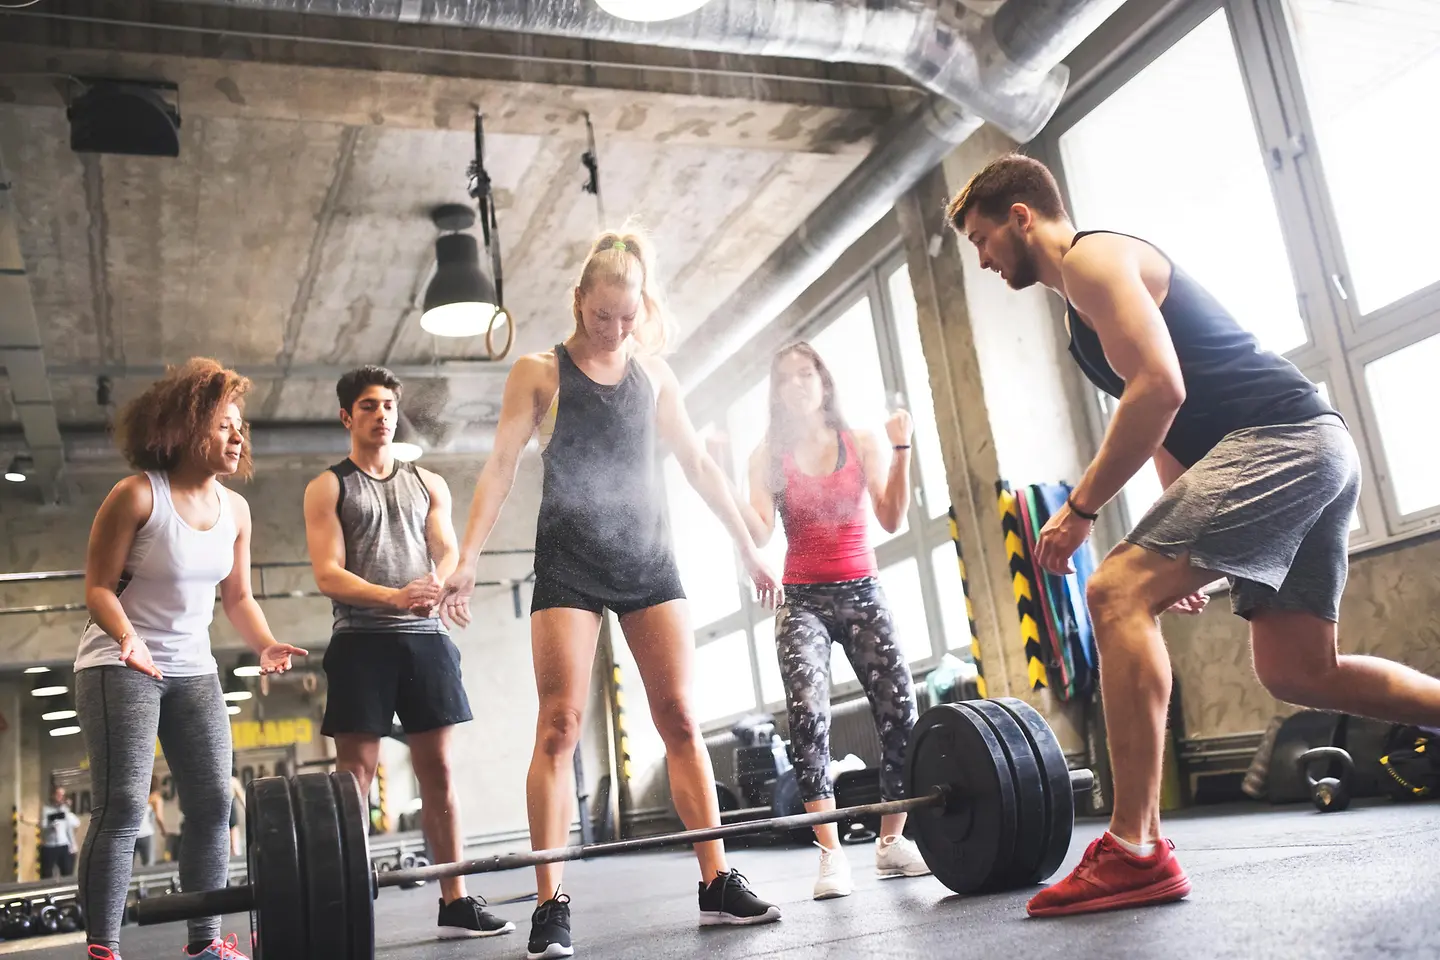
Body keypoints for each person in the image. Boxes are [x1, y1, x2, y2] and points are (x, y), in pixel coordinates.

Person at [945, 154, 1440, 918]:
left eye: (982, 239)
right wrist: (1185, 557)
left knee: (1111, 590)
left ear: (1021, 217)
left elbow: (1160, 389)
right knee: (1300, 671)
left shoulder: (1093, 260)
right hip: (1308, 445)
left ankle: (1134, 849)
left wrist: (1080, 510)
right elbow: (1175, 432)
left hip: (1281, 440)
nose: (981, 260)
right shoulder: (1083, 313)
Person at [438, 229, 784, 960]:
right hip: (569, 559)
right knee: (559, 726)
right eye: (603, 317)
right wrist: (465, 557)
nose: (615, 331)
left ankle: (716, 880)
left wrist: (750, 547)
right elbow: (501, 467)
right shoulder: (540, 372)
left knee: (682, 719)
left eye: (627, 318)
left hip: (648, 557)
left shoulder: (655, 377)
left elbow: (695, 464)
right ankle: (548, 903)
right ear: (578, 302)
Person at [72, 358, 307, 960]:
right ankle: (103, 947)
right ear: (184, 426)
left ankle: (204, 944)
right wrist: (128, 637)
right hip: (119, 662)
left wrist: (264, 642)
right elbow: (97, 587)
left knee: (211, 804)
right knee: (123, 805)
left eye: (241, 426)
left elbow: (238, 596)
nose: (238, 436)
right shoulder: (135, 496)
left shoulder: (237, 511)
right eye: (224, 424)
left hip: (193, 668)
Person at [713, 342, 931, 899]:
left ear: (823, 381)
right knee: (809, 714)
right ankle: (831, 855)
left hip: (862, 589)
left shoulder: (857, 442)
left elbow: (890, 515)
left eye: (806, 374)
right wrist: (719, 473)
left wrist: (903, 448)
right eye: (785, 378)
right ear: (777, 392)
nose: (797, 385)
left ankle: (890, 843)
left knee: (900, 708)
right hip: (802, 597)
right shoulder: (767, 456)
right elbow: (759, 533)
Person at [303, 365, 514, 942]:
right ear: (348, 416)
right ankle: (341, 901)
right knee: (355, 777)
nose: (381, 415)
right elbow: (327, 573)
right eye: (368, 405)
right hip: (360, 642)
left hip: (425, 643)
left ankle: (455, 897)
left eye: (389, 405)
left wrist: (437, 584)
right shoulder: (328, 486)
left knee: (439, 770)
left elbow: (446, 550)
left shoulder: (429, 483)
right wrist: (396, 596)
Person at [36, 785, 81, 879]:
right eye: (58, 794)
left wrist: (72, 845)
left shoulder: (65, 810)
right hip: (49, 845)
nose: (60, 797)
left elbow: (74, 825)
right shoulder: (46, 809)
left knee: (67, 873)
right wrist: (51, 825)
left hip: (63, 845)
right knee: (46, 875)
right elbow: (43, 825)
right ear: (53, 795)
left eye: (62, 795)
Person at [133, 777, 168, 868]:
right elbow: (159, 817)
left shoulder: (137, 797)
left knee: (128, 866)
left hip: (132, 834)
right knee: (149, 864)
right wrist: (163, 831)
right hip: (146, 834)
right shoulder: (156, 798)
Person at [227, 772, 245, 857]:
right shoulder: (233, 781)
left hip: (218, 815)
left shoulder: (214, 781)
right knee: (235, 846)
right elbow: (243, 800)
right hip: (231, 814)